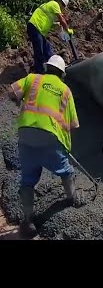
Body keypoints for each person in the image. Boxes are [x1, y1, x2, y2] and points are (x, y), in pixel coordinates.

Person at [7, 55, 82, 238]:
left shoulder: (32, 78)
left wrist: (21, 102)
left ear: (47, 68)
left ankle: (27, 219)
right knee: (64, 170)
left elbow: (11, 92)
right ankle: (72, 198)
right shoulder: (65, 90)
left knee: (28, 178)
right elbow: (73, 124)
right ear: (62, 74)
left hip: (25, 133)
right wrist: (64, 145)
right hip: (49, 136)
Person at [27, 0, 74, 74]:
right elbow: (62, 20)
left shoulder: (49, 5)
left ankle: (55, 66)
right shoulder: (55, 4)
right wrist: (68, 30)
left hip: (38, 29)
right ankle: (39, 72)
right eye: (63, 6)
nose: (62, 9)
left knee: (47, 49)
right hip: (35, 27)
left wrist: (55, 25)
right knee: (39, 51)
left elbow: (47, 21)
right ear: (61, 3)